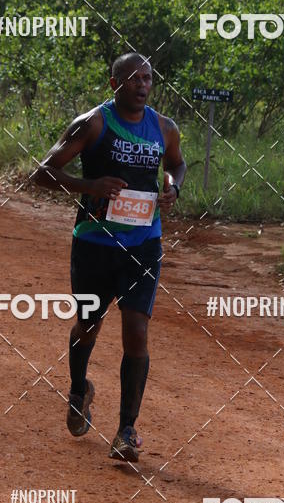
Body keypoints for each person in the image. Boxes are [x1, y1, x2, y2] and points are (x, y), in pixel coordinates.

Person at [34, 52, 186, 462]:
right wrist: (90, 186)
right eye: (133, 78)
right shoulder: (93, 124)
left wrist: (173, 188)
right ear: (114, 83)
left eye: (147, 78)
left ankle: (125, 431)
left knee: (136, 331)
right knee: (88, 324)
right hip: (94, 245)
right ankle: (78, 390)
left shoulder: (165, 128)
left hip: (143, 244)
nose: (141, 85)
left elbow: (177, 165)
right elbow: (42, 172)